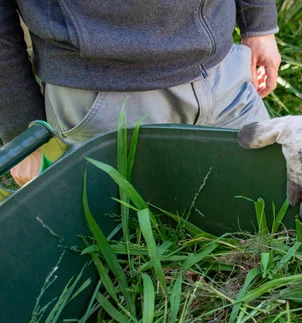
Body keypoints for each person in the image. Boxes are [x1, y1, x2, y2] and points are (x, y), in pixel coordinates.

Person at [1, 0, 282, 185]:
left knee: (270, 219)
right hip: (102, 101)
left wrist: (259, 24)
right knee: (124, 258)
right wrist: (20, 129)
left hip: (223, 76)